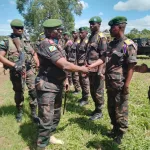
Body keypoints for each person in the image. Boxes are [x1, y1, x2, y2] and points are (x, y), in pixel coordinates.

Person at [35, 19, 88, 150]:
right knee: (46, 118)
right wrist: (82, 69)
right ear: (48, 31)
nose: (60, 31)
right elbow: (64, 64)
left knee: (56, 114)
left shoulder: (57, 44)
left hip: (57, 85)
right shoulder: (46, 44)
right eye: (57, 29)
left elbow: (61, 66)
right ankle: (41, 146)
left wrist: (65, 80)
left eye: (60, 29)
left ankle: (50, 136)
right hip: (47, 85)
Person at [88, 16, 137, 144]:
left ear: (119, 27)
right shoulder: (112, 44)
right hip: (110, 82)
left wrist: (126, 85)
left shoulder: (127, 45)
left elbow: (131, 66)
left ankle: (120, 134)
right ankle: (114, 128)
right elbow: (103, 58)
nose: (110, 29)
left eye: (112, 27)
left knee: (120, 109)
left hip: (120, 83)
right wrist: (91, 66)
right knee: (111, 108)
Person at [0, 19, 39, 122]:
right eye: (17, 28)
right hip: (16, 71)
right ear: (12, 28)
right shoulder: (6, 41)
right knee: (19, 92)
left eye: (22, 28)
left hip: (29, 69)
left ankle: (34, 113)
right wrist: (14, 65)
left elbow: (33, 53)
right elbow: (1, 57)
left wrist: (37, 62)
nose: (20, 30)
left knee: (33, 91)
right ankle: (20, 111)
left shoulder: (26, 40)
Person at [86, 16, 107, 120]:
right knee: (92, 90)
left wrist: (100, 70)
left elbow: (104, 55)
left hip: (98, 70)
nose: (91, 25)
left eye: (93, 23)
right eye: (90, 23)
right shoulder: (91, 37)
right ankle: (96, 108)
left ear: (99, 24)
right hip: (91, 69)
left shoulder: (101, 37)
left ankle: (99, 111)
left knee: (98, 91)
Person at [77, 27, 89, 106]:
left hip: (84, 65)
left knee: (85, 82)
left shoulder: (87, 42)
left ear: (86, 33)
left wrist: (85, 66)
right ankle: (83, 96)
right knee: (81, 81)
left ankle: (86, 99)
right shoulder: (80, 41)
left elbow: (88, 55)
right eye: (80, 32)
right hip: (79, 64)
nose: (80, 34)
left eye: (82, 32)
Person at [67, 29, 81, 94]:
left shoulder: (79, 42)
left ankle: (78, 89)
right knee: (73, 76)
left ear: (78, 33)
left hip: (76, 62)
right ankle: (76, 89)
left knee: (75, 76)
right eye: (72, 33)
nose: (73, 34)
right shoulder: (73, 42)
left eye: (75, 33)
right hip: (71, 61)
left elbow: (79, 54)